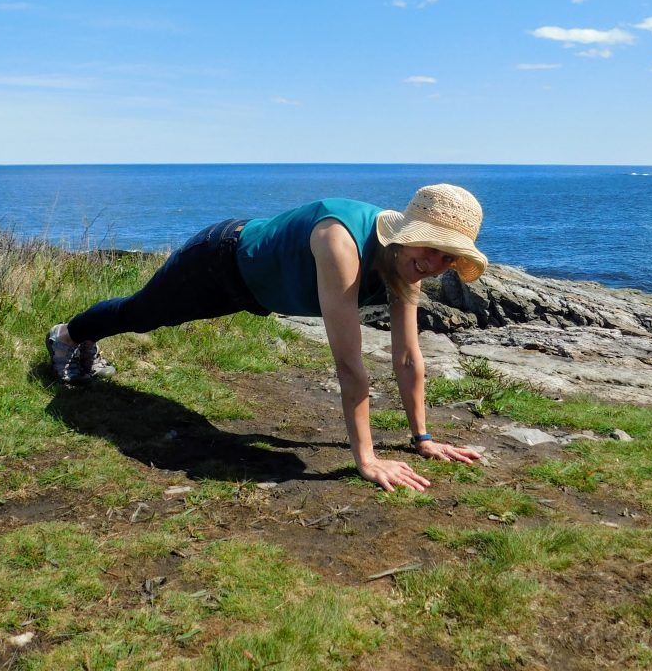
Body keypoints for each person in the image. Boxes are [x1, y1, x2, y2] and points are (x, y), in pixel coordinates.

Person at [46, 184, 487, 492]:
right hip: (219, 263)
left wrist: (423, 439)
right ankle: (67, 336)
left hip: (256, 287)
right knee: (142, 314)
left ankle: (76, 338)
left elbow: (408, 359)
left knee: (144, 316)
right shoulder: (342, 242)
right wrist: (367, 461)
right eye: (430, 247)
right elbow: (350, 366)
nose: (434, 264)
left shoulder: (407, 267)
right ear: (407, 235)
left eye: (448, 257)